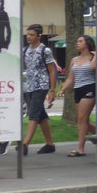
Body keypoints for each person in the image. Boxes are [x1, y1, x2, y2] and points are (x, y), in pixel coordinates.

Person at [54, 34, 96, 157]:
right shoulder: (74, 60)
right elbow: (70, 78)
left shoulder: (93, 58)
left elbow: (93, 67)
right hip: (78, 89)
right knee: (82, 121)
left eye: (80, 41)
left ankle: (80, 149)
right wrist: (62, 89)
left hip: (89, 88)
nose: (77, 43)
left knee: (82, 119)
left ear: (87, 44)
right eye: (77, 41)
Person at [19, 24, 58, 155]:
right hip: (29, 86)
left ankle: (25, 144)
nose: (29, 37)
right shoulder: (25, 50)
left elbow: (52, 71)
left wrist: (52, 90)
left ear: (39, 36)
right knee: (40, 115)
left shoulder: (45, 50)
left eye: (32, 35)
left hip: (41, 85)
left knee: (33, 114)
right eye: (28, 34)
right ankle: (50, 144)